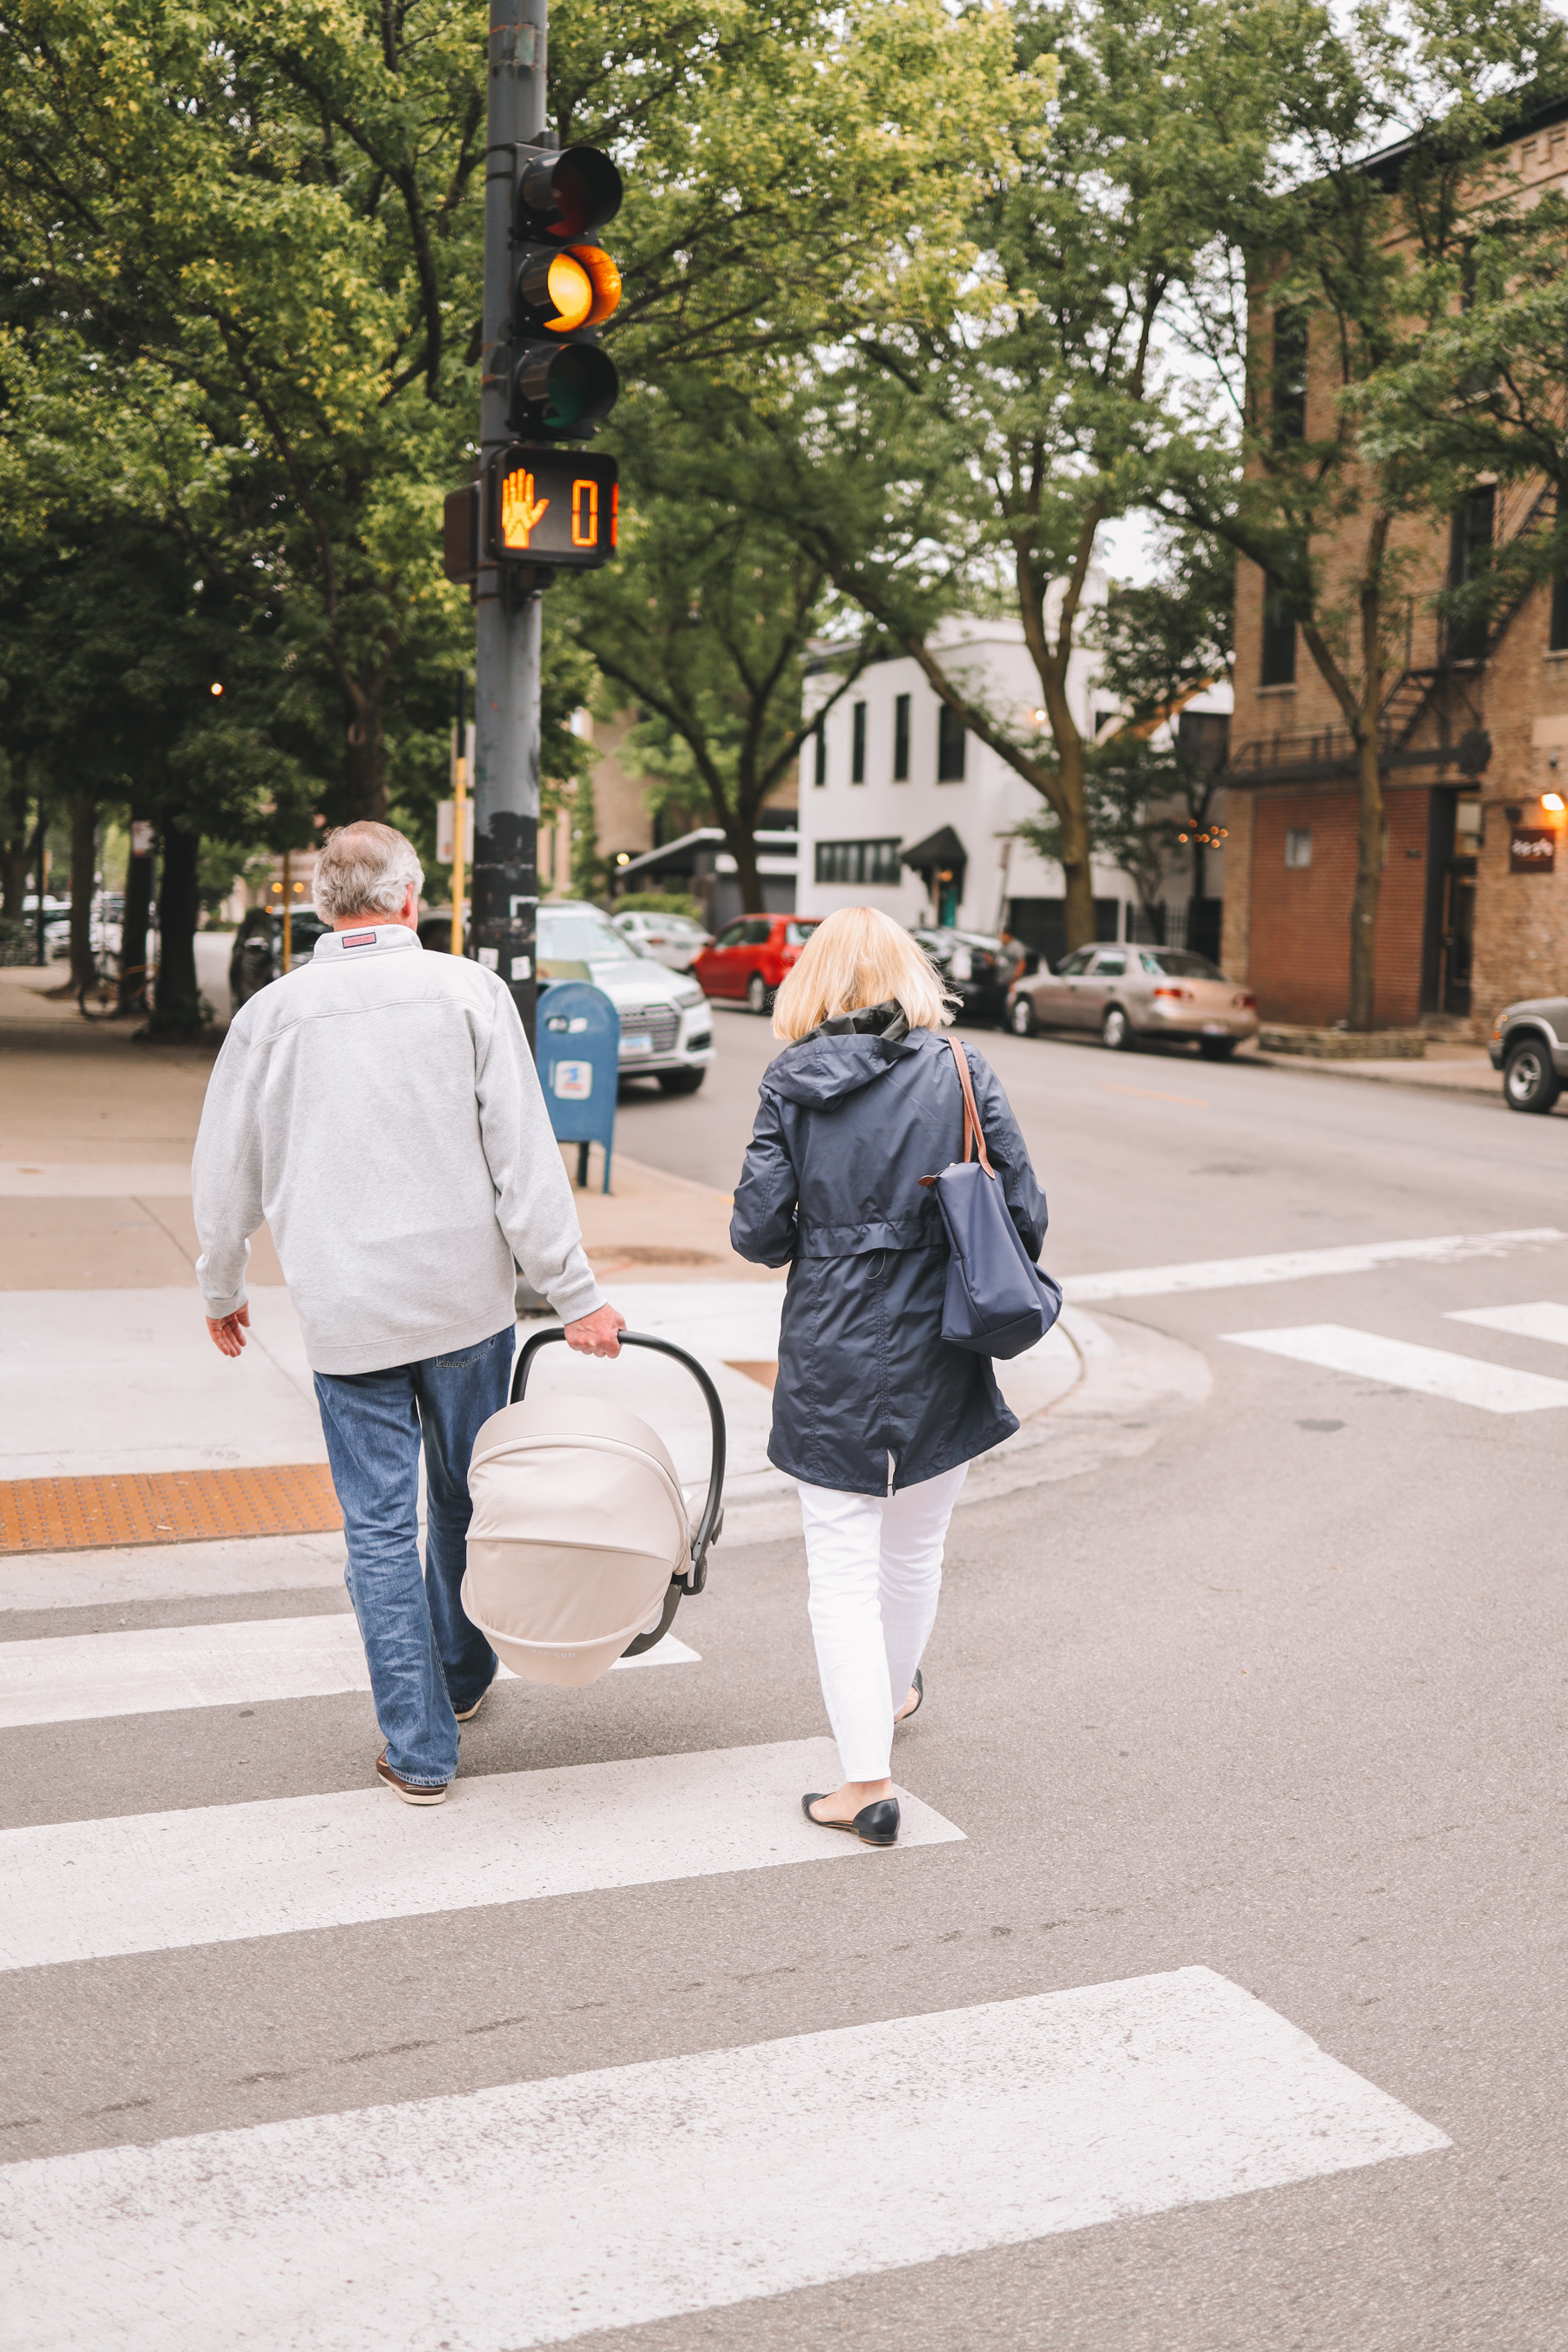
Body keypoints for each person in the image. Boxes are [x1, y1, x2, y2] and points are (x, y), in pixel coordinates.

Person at [192, 822, 625, 1806]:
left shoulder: (272, 1015)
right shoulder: (467, 991)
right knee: (467, 1496)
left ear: (319, 906)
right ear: (409, 898)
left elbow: (226, 1174)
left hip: (348, 1318)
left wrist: (222, 1288)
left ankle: (420, 1747)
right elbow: (524, 1157)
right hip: (465, 1306)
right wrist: (577, 1294)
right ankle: (465, 1676)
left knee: (378, 1530)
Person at [730, 905, 1048, 1847]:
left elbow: (756, 1232)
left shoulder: (789, 1084)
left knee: (839, 1564)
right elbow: (1023, 1211)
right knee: (915, 1546)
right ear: (910, 975)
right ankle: (895, 1694)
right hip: (941, 1338)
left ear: (812, 985)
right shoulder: (959, 1069)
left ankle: (865, 1778)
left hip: (831, 1342)